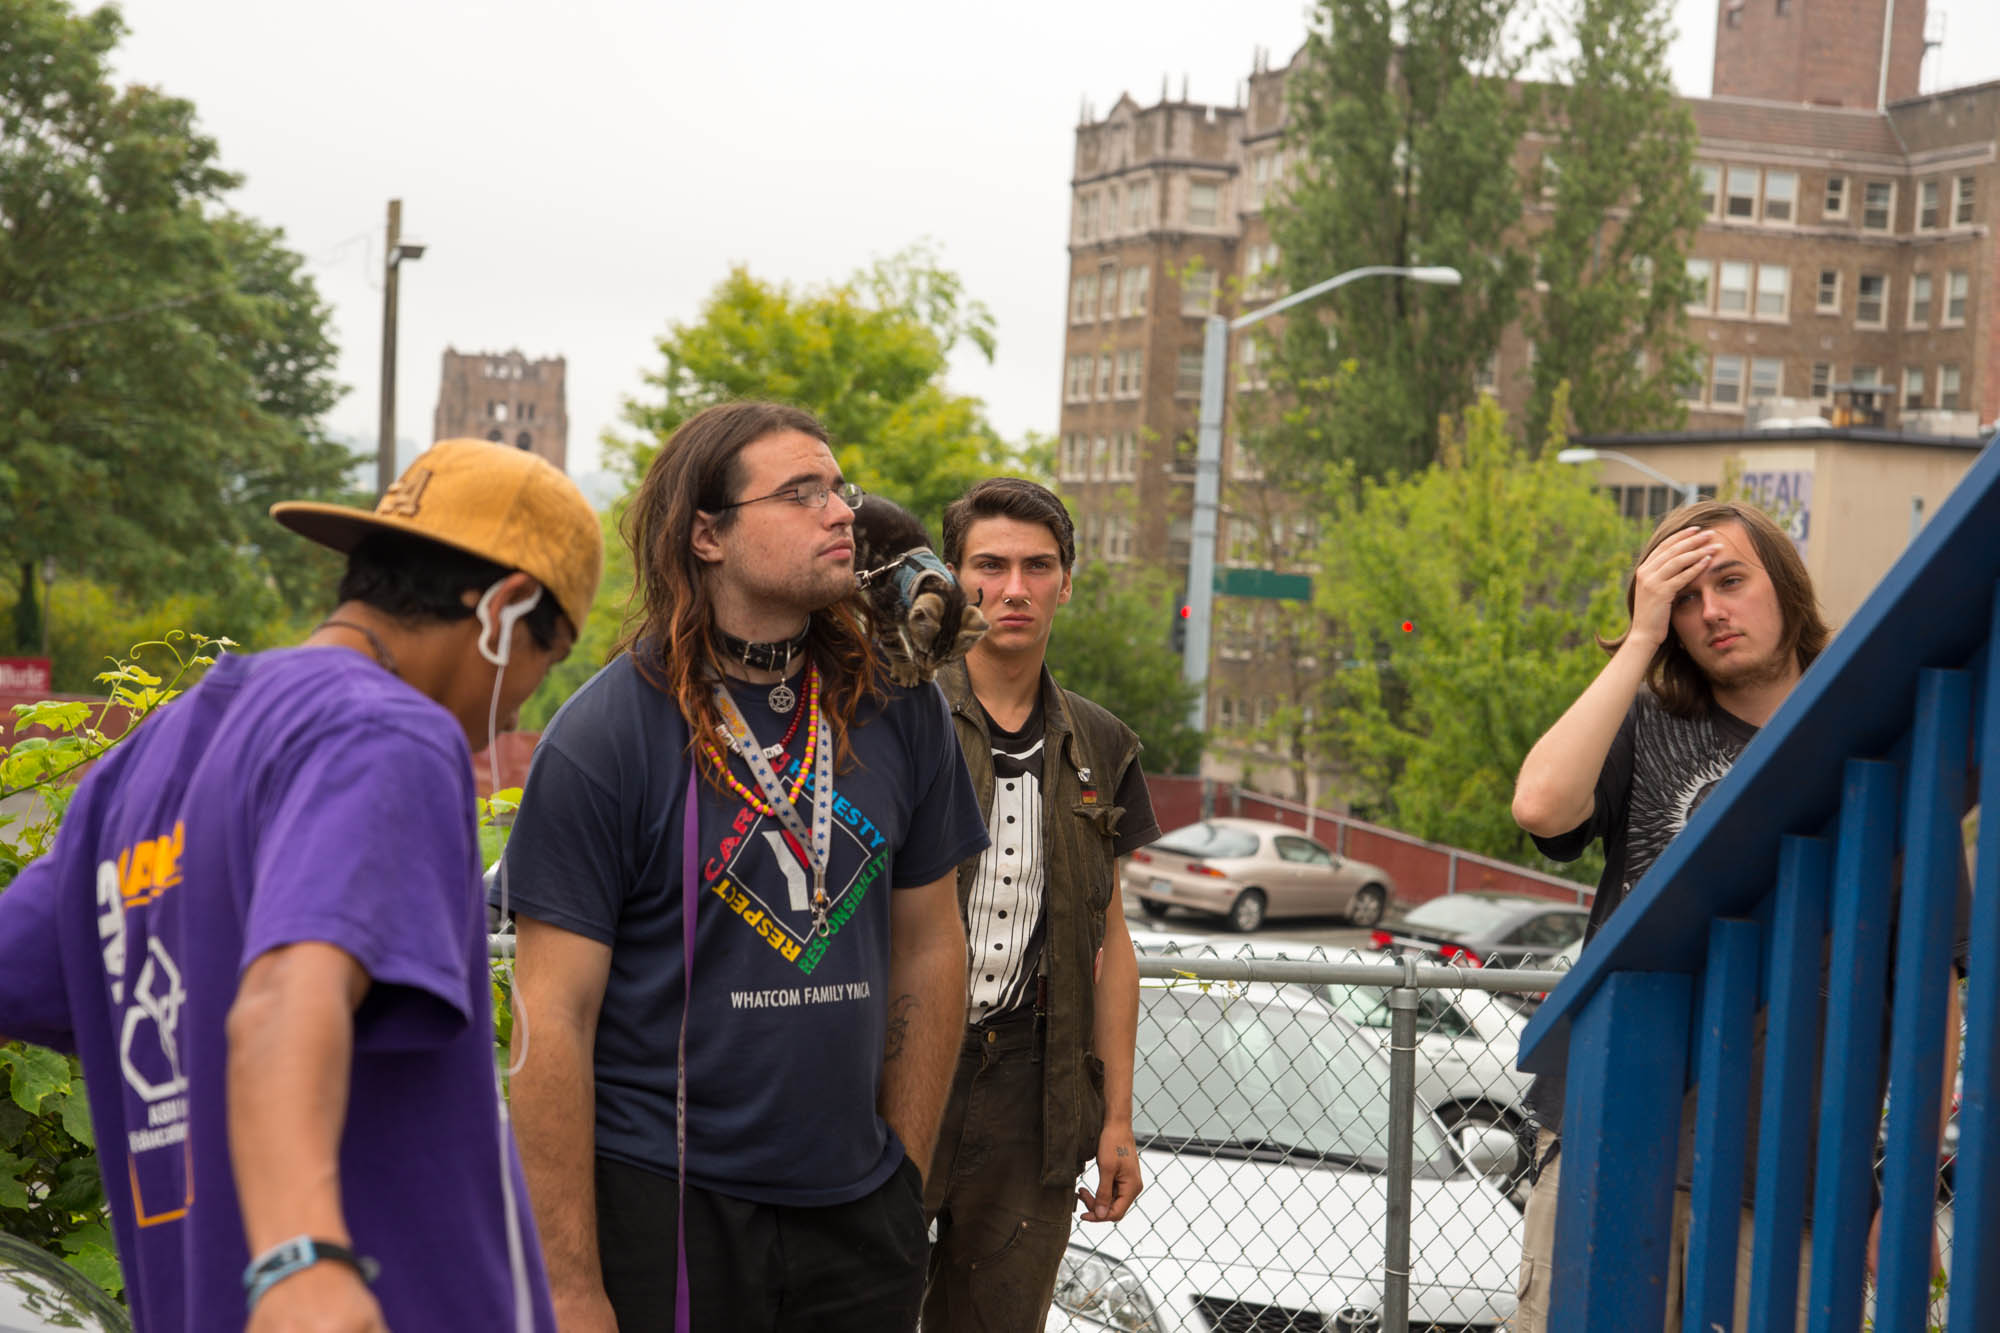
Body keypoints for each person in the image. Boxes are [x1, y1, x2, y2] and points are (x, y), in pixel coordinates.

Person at [0, 438, 603, 1332]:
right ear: (506, 609)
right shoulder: (387, 732)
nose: (512, 714)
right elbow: (287, 994)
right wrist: (302, 1258)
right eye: (543, 663)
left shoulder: (143, 768)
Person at [502, 401, 985, 1333]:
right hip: (666, 1205)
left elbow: (932, 945)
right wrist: (570, 1287)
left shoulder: (901, 709)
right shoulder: (608, 736)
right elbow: (549, 1018)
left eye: (839, 487)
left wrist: (902, 1177)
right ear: (707, 534)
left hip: (857, 1213)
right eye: (800, 493)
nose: (842, 510)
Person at [1509, 499, 1965, 1331]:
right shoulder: (1649, 721)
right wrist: (1638, 639)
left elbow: (1934, 991)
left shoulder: (1873, 755)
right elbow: (1540, 804)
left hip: (1790, 1177)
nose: (1710, 610)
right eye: (1683, 597)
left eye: (1729, 580)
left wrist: (1899, 1191)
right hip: (1614, 1128)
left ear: (1785, 586)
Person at [922, 478, 1161, 1332]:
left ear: (1068, 579)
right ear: (954, 578)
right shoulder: (897, 712)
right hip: (898, 1066)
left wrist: (1119, 1118)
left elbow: (1113, 939)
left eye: (1037, 565)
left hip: (1035, 1084)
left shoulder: (1101, 741)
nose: (1013, 588)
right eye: (989, 565)